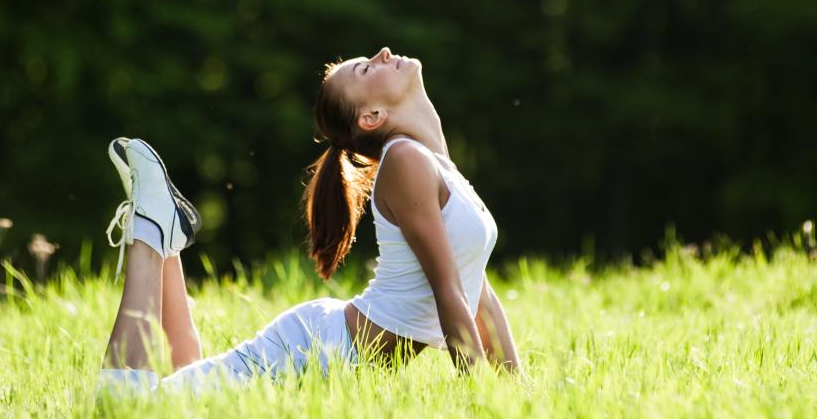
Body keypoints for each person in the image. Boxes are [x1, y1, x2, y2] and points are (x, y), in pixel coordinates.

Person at [98, 47, 523, 396]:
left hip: (331, 346)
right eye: (365, 67)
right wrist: (481, 401)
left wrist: (519, 390)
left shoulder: (437, 164)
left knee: (184, 397)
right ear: (372, 116)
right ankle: (150, 229)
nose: (383, 53)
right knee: (125, 414)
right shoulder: (406, 161)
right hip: (316, 351)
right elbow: (448, 293)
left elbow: (478, 297)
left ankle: (167, 238)